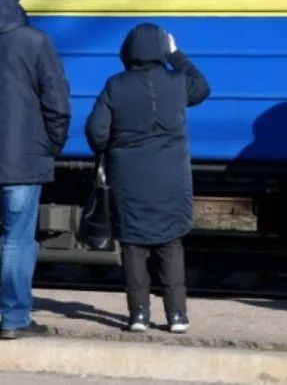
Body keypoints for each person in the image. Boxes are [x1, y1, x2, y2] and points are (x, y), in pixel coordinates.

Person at [85, 24, 209, 334]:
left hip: (129, 177)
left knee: (134, 245)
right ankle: (177, 315)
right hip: (172, 177)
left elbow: (96, 130)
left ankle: (138, 314)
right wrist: (176, 53)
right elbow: (203, 87)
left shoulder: (115, 85)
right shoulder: (177, 83)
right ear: (160, 51)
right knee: (170, 243)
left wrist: (112, 150)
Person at [0, 0, 70, 339]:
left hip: (23, 159)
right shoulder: (34, 41)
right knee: (16, 239)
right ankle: (13, 319)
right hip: (23, 161)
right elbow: (57, 103)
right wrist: (50, 147)